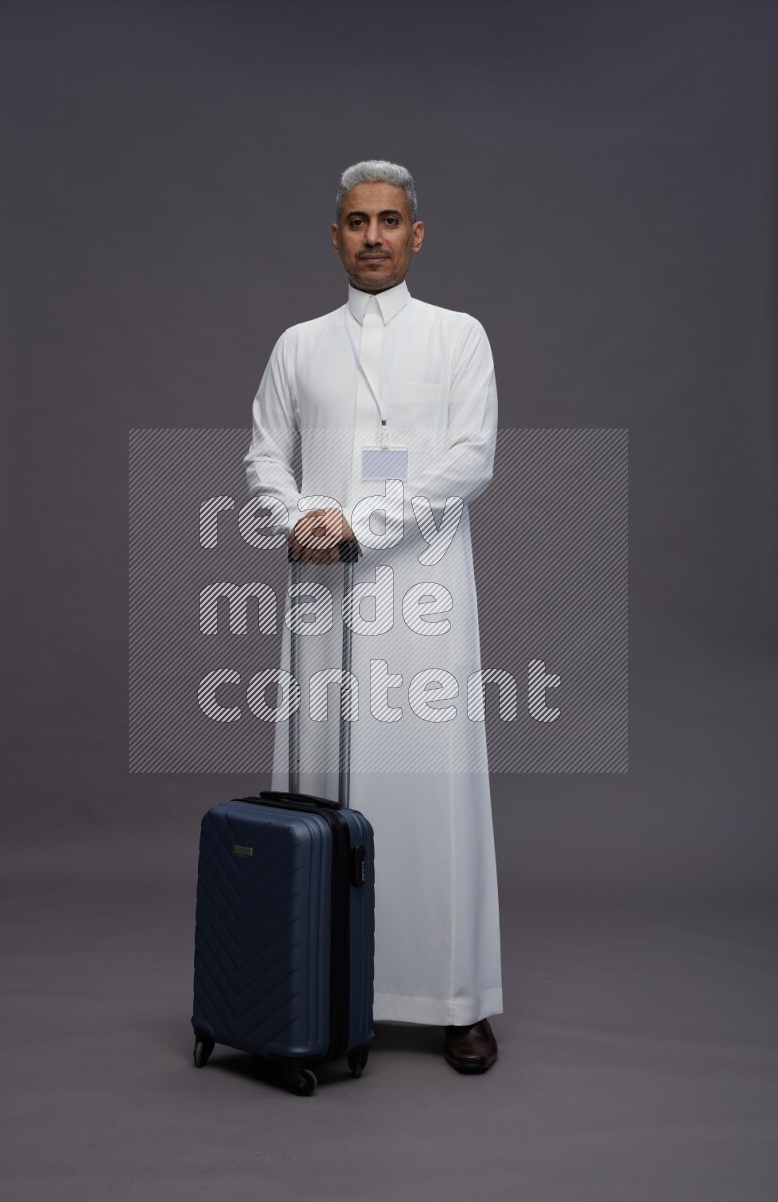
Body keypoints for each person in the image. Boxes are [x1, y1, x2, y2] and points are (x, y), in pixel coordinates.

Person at [243, 160, 503, 1072]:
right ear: (335, 236)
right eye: (357, 222)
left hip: (422, 593)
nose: (374, 237)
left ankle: (454, 1001)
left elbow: (471, 459)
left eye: (390, 221)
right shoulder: (299, 345)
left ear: (416, 235)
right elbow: (263, 457)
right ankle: (316, 992)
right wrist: (298, 519)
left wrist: (363, 521)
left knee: (433, 792)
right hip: (324, 590)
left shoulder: (458, 336)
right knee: (320, 785)